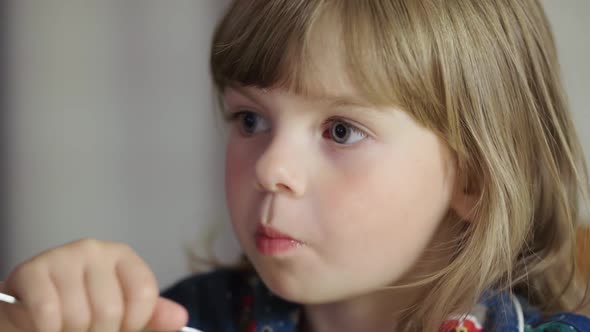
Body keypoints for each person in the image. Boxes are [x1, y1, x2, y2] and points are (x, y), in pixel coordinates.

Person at [1, 0, 589, 331]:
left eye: (341, 130)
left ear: (474, 178)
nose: (270, 168)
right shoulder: (183, 317)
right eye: (250, 120)